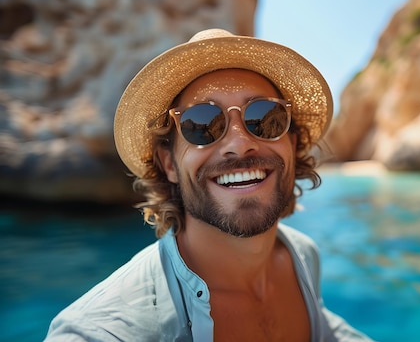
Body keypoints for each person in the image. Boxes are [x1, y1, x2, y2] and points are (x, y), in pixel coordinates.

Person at [45, 28, 373, 341]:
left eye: (263, 116)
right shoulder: (102, 331)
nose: (239, 143)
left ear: (293, 142)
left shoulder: (302, 256)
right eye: (202, 124)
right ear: (170, 163)